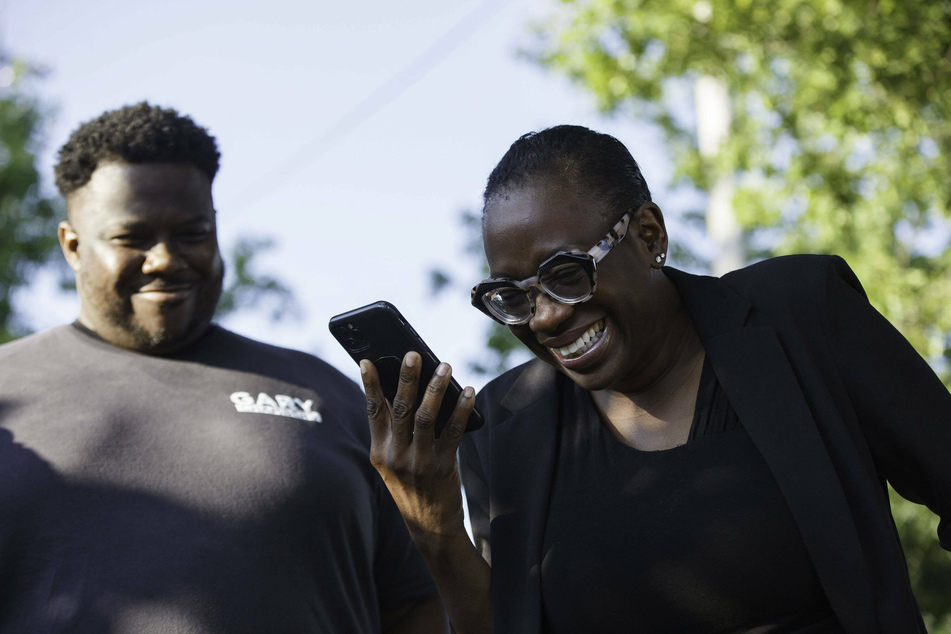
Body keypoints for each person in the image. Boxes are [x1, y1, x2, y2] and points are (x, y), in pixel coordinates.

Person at [361, 125, 951, 633]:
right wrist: (435, 527)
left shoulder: (800, 315)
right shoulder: (508, 427)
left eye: (567, 273)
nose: (544, 316)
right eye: (512, 297)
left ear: (649, 236)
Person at [0, 102, 447, 633]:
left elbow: (421, 602)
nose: (165, 258)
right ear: (72, 246)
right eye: (132, 237)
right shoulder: (9, 395)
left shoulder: (334, 397)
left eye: (192, 233)